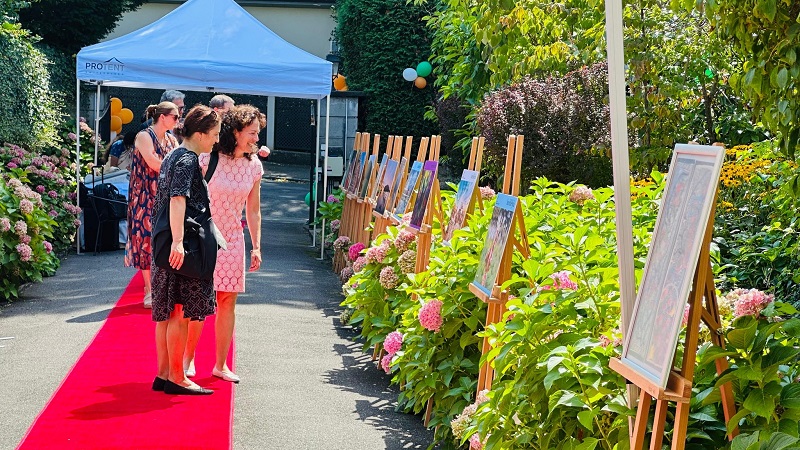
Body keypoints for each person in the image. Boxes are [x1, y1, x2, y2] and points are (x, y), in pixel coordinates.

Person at [184, 105, 265, 383]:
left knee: (227, 301)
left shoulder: (254, 166)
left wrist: (256, 246)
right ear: (236, 132)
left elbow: (253, 210)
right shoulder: (208, 158)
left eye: (257, 133)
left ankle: (221, 365)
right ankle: (188, 359)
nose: (256, 138)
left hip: (232, 239)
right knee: (199, 300)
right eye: (252, 132)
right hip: (203, 237)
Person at [151, 104, 221, 395]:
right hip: (181, 245)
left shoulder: (173, 154)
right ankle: (177, 377)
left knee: (169, 312)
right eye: (214, 134)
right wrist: (179, 241)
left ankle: (164, 374)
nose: (216, 140)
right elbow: (178, 198)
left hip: (166, 241)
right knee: (179, 312)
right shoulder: (188, 159)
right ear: (201, 134)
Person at [125, 102, 181, 308]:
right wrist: (178, 168)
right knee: (145, 242)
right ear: (162, 117)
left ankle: (162, 287)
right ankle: (149, 289)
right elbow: (153, 162)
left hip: (164, 196)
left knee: (165, 240)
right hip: (143, 196)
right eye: (175, 116)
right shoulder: (144, 136)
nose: (178, 120)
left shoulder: (171, 139)